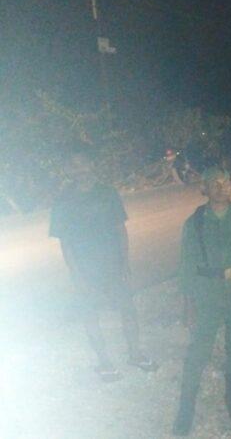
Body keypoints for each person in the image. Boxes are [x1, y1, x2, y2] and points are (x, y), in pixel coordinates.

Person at [172, 166, 231, 436]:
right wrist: (188, 302)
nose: (221, 187)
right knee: (198, 350)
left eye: (226, 182)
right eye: (215, 183)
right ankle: (186, 406)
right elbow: (186, 263)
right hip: (207, 294)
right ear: (204, 188)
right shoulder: (195, 222)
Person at [49, 147, 157, 382]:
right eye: (74, 165)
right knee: (90, 314)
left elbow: (120, 229)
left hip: (112, 265)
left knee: (128, 308)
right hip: (84, 268)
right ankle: (104, 362)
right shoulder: (62, 201)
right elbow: (65, 243)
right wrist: (76, 273)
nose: (80, 169)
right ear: (68, 170)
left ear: (92, 165)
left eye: (83, 163)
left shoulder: (108, 193)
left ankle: (135, 354)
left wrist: (125, 261)